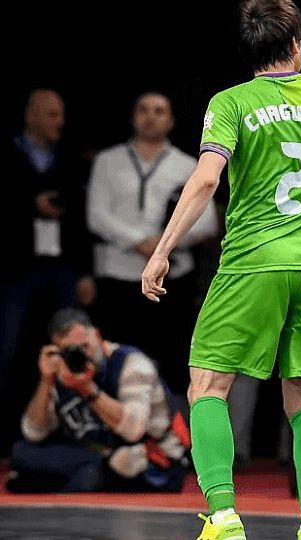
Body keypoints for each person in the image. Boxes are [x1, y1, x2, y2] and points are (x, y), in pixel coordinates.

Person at [140, 1, 301, 538]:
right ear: (296, 46)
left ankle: (223, 515)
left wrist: (162, 248)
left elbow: (206, 180)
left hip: (253, 262)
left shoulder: (231, 102)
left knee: (207, 386)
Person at [87, 91, 217, 393]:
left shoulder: (187, 165)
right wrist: (139, 241)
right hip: (118, 276)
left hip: (172, 279)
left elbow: (207, 221)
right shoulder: (108, 161)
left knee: (173, 361)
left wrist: (164, 243)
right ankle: (119, 422)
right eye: (143, 109)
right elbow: (96, 215)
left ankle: (175, 424)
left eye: (159, 111)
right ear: (133, 117)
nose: (150, 116)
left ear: (171, 121)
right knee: (117, 363)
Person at [1, 89, 93, 450]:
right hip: (15, 269)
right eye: (52, 114)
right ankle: (8, 436)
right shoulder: (8, 154)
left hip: (61, 266)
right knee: (9, 350)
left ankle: (67, 433)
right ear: (31, 116)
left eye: (61, 114)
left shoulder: (69, 158)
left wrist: (84, 271)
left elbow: (82, 217)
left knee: (69, 346)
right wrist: (30, 204)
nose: (60, 122)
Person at [8, 308, 187, 494]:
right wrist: (46, 381)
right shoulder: (62, 370)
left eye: (85, 346)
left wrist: (87, 389)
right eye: (70, 351)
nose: (81, 355)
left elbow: (133, 430)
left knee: (89, 476)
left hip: (147, 458)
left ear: (97, 336)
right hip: (97, 455)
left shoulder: (132, 364)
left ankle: (59, 482)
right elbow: (34, 433)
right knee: (21, 452)